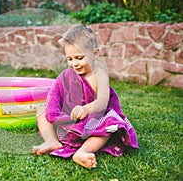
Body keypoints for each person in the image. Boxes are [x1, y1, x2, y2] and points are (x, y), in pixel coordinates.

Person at [32, 24, 139, 168]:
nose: (74, 64)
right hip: (71, 121)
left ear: (94, 54)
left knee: (110, 123)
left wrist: (86, 109)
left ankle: (83, 151)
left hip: (93, 121)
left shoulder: (99, 75)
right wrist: (53, 113)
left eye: (79, 57)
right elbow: (54, 95)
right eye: (69, 59)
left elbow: (102, 102)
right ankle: (51, 141)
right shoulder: (66, 76)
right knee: (42, 110)